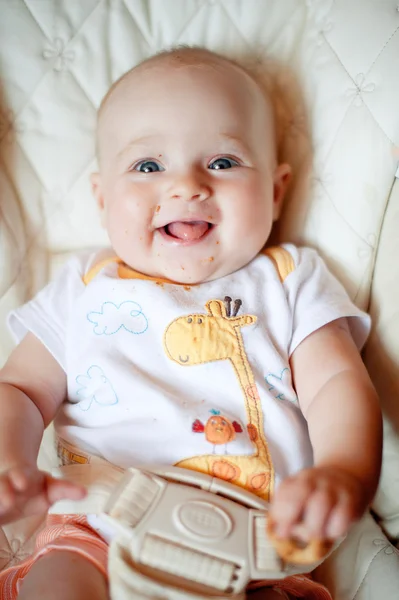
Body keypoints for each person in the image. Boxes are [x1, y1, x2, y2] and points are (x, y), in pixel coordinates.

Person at [0, 47, 382, 600]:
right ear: (103, 198)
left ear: (275, 192)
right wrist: (10, 458)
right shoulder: (83, 285)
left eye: (223, 162)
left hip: (253, 546)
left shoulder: (289, 278)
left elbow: (336, 383)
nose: (186, 186)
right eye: (148, 166)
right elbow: (19, 389)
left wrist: (346, 470)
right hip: (99, 526)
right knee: (58, 585)